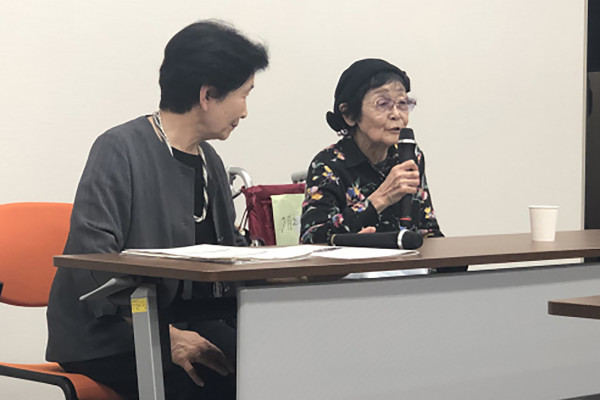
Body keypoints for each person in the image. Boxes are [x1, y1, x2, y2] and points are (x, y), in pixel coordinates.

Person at [45, 20, 268, 400]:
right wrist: (166, 336)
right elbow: (90, 263)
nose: (245, 111)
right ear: (208, 94)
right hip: (108, 335)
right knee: (218, 386)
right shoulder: (119, 149)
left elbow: (220, 262)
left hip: (185, 323)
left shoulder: (210, 161)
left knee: (272, 367)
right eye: (244, 94)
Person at [300, 59, 456, 273]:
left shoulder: (410, 155)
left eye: (402, 103)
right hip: (353, 282)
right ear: (349, 114)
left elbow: (428, 230)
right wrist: (381, 198)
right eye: (383, 104)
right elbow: (312, 241)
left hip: (409, 276)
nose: (396, 114)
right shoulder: (328, 164)